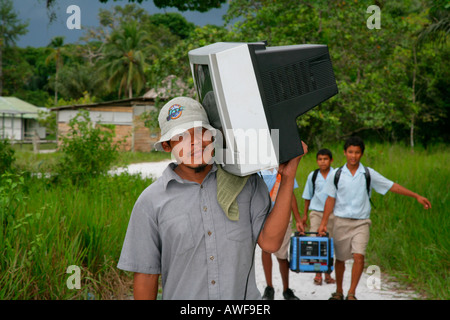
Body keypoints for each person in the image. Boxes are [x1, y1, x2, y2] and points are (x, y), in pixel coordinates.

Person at [117, 96, 308, 300]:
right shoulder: (150, 202)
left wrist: (288, 178)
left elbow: (270, 243)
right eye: (181, 137)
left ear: (212, 135)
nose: (195, 144)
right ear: (166, 145)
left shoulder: (245, 183)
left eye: (200, 132)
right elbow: (146, 276)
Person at [318, 136, 431, 300]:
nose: (353, 156)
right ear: (344, 153)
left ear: (362, 154)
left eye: (357, 152)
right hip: (340, 222)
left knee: (359, 255)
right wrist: (323, 223)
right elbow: (330, 199)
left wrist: (416, 196)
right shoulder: (336, 174)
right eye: (350, 152)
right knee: (340, 259)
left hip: (361, 222)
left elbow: (391, 185)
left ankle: (351, 293)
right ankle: (339, 291)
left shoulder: (368, 174)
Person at [259, 169, 304, 300]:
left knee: (282, 254)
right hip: (263, 216)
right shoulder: (258, 170)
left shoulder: (286, 168)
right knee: (265, 250)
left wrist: (298, 219)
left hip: (283, 217)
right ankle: (269, 288)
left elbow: (291, 195)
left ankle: (286, 289)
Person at [301, 148, 336, 286]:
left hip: (332, 214)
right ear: (317, 161)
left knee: (328, 244)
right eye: (320, 159)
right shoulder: (313, 175)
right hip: (316, 212)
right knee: (315, 243)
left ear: (331, 160)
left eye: (325, 159)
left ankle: (328, 273)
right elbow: (307, 196)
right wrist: (304, 215)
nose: (323, 162)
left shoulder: (336, 174)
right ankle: (317, 273)